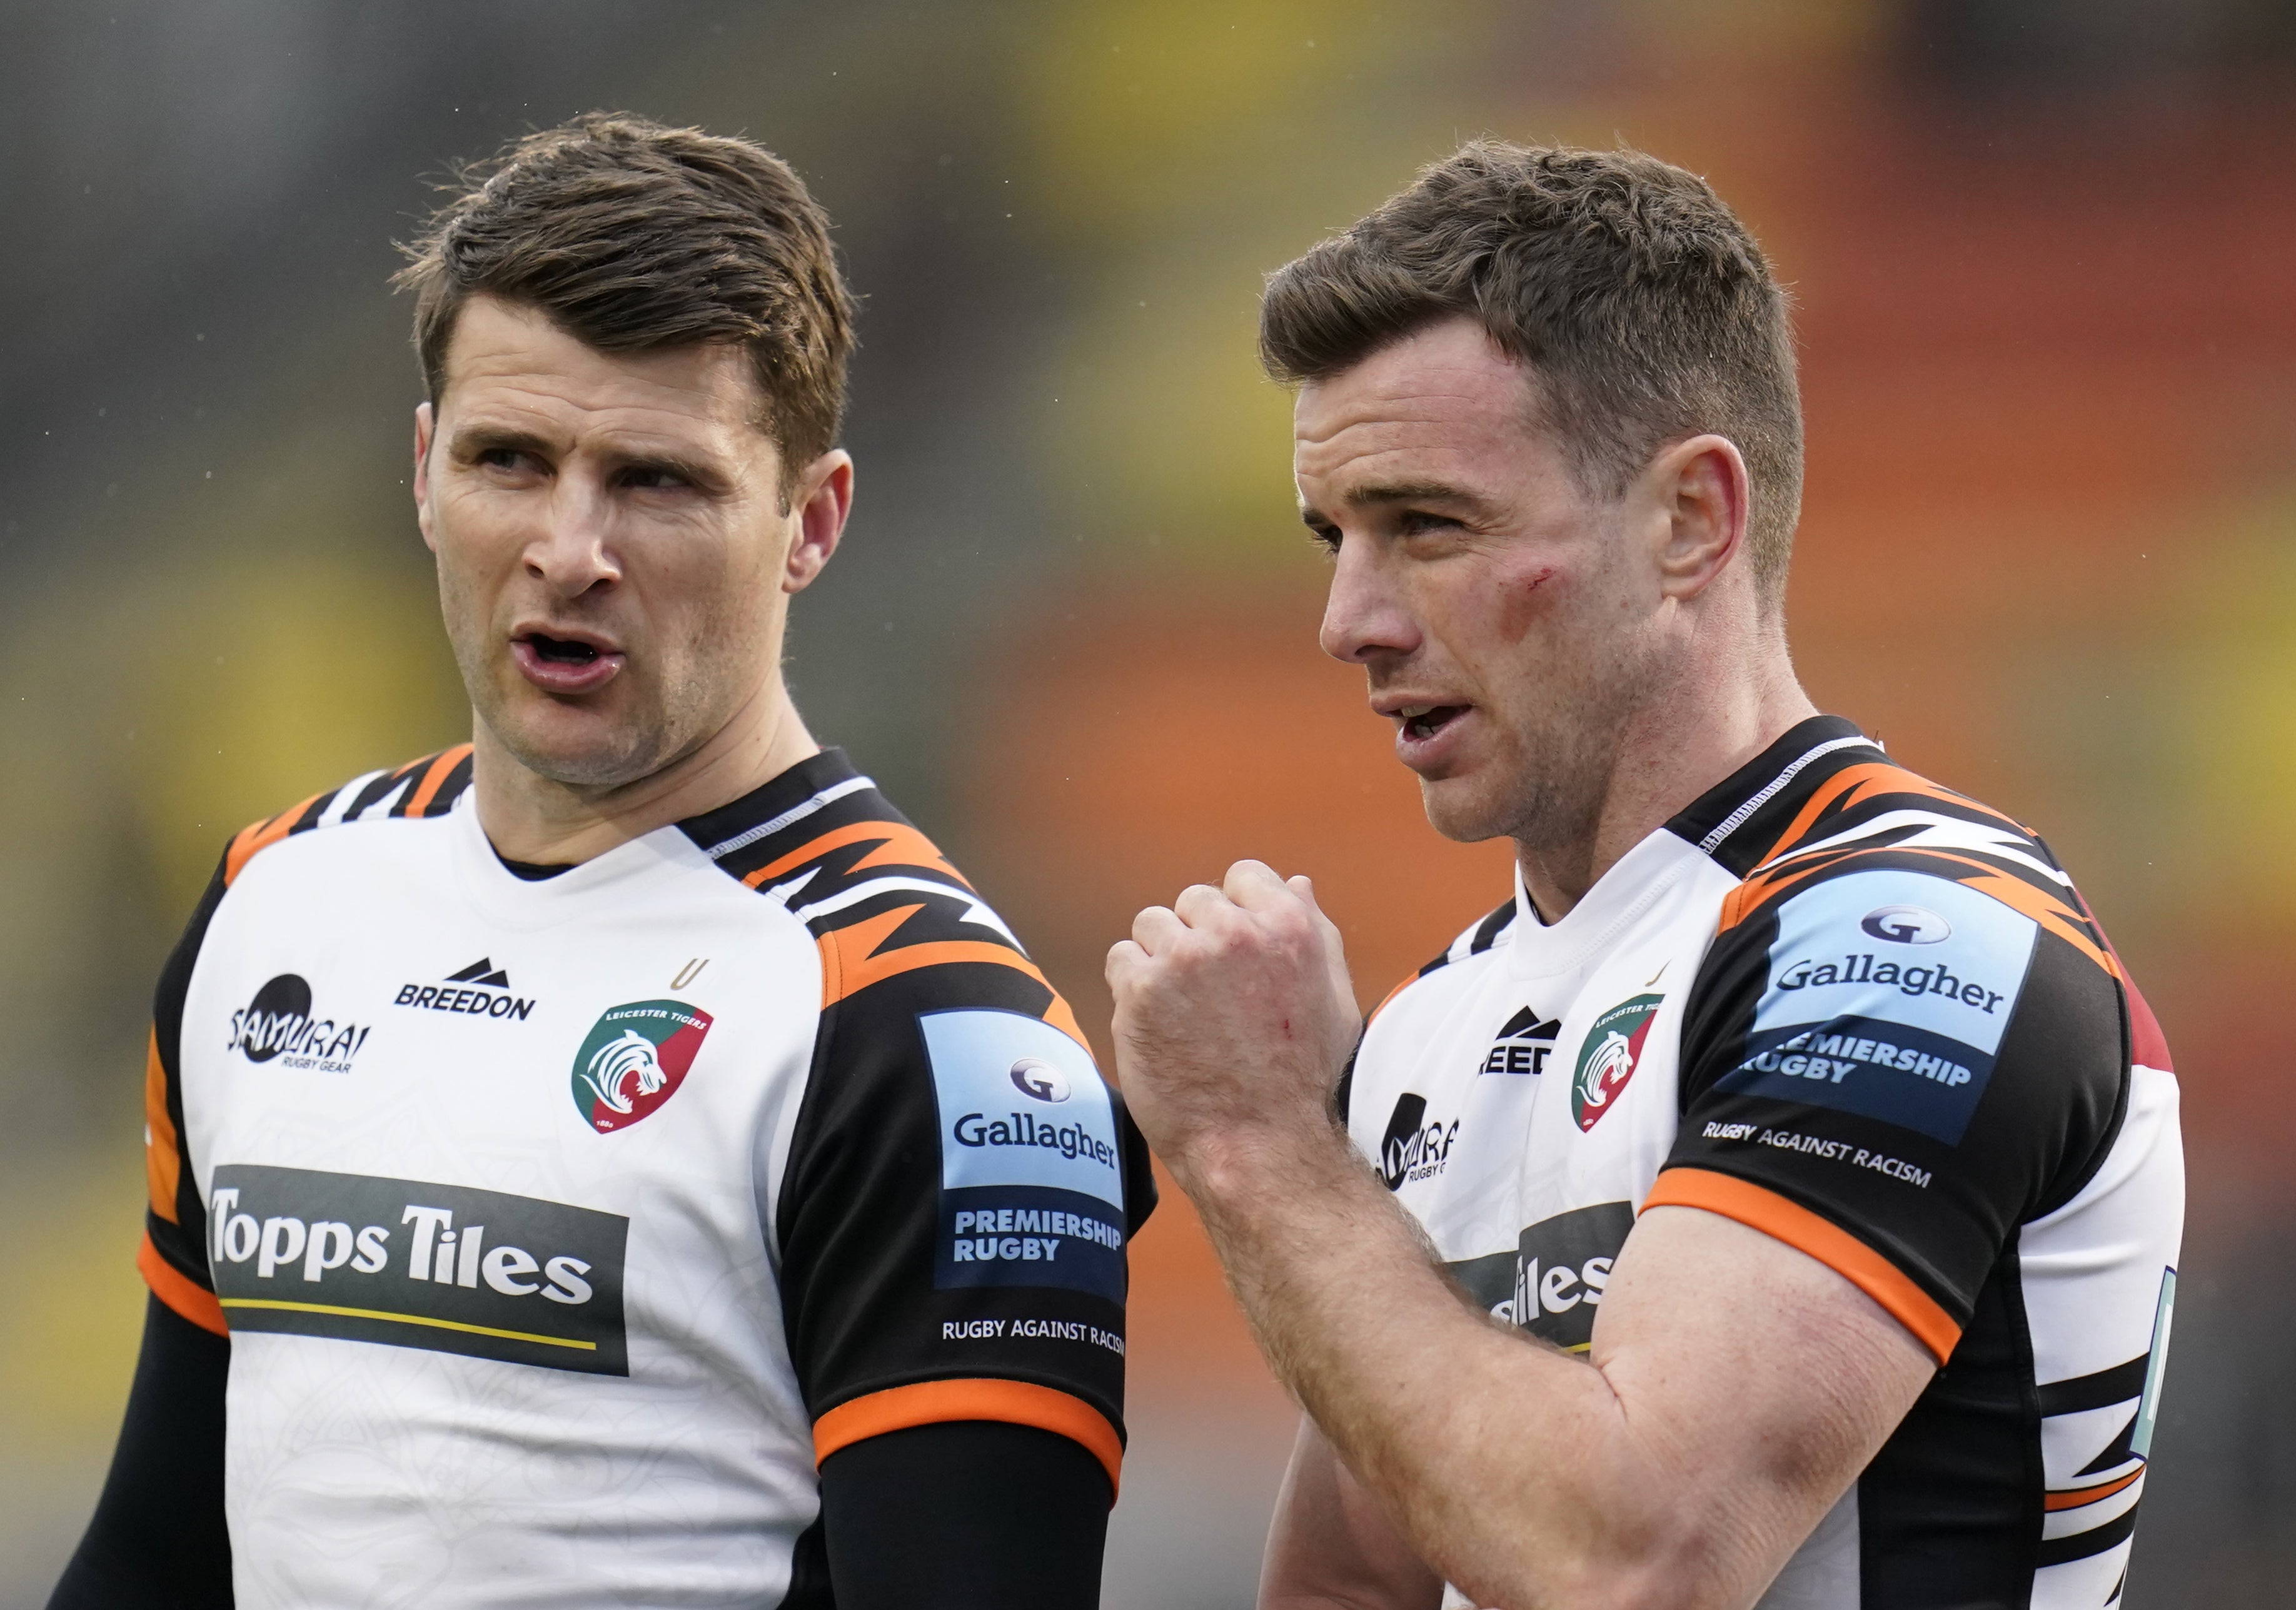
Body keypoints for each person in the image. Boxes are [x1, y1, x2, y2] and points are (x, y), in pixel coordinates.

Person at [52, 113, 1151, 1610]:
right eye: (513, 459)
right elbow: (156, 1556)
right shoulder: (277, 897)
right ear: (427, 471)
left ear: (809, 522)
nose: (572, 548)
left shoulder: (926, 1028)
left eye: (658, 481)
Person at [1107, 142, 2180, 1610]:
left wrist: (1258, 1147)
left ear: (1690, 520)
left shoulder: (1917, 939)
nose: (1347, 620)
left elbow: (1635, 1565)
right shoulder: (1439, 1018)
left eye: (1428, 525)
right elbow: (1354, 1582)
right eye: (1333, 538)